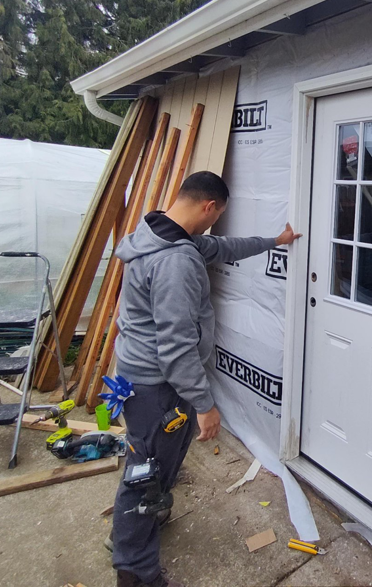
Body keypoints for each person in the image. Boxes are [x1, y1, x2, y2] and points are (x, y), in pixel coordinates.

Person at [108, 171, 301, 587]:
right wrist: (205, 405)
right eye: (216, 217)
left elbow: (221, 247)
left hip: (138, 380)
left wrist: (274, 241)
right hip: (158, 387)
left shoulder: (158, 229)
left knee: (148, 464)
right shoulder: (175, 261)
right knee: (146, 475)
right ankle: (136, 572)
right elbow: (175, 348)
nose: (213, 227)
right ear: (208, 207)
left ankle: (141, 527)